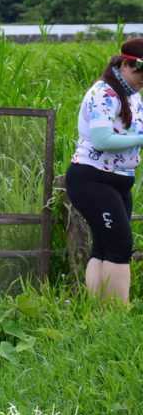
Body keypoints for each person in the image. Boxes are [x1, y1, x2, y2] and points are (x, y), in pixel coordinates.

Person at [66, 37, 143, 305]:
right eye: (140, 73)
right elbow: (103, 140)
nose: (142, 80)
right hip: (93, 179)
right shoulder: (104, 94)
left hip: (120, 180)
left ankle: (97, 312)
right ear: (125, 65)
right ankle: (117, 313)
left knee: (104, 245)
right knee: (121, 246)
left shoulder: (133, 97)